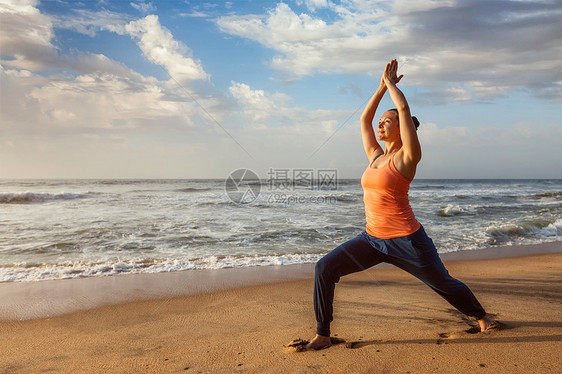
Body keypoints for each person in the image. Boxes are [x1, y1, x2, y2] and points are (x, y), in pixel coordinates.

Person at [305, 59, 494, 350]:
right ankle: (323, 333)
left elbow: (404, 110)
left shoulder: (407, 158)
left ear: (401, 129)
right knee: (324, 268)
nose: (381, 123)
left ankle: (481, 316)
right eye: (382, 120)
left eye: (388, 121)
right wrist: (381, 86)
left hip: (407, 240)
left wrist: (393, 86)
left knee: (442, 283)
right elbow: (364, 120)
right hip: (371, 239)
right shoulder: (375, 156)